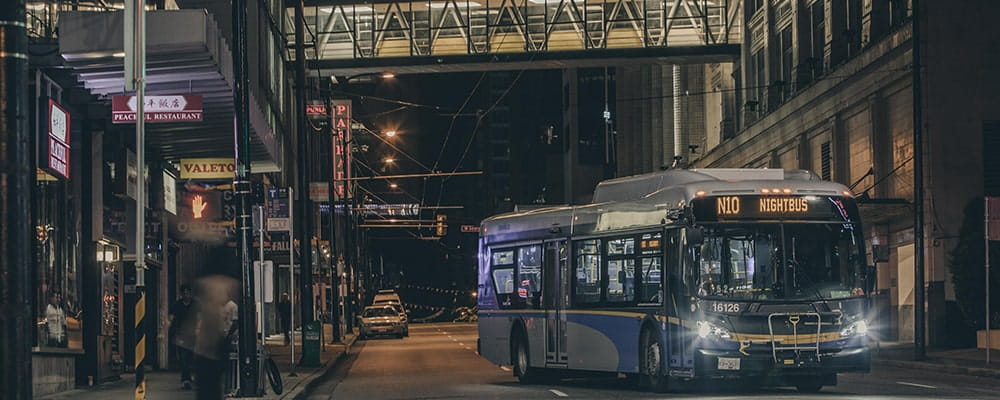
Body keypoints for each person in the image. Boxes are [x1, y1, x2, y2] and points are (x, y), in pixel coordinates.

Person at [169, 284, 196, 389]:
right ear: (181, 294)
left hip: (193, 334)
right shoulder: (177, 305)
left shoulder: (195, 304)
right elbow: (170, 319)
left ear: (190, 293)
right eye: (184, 293)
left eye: (187, 293)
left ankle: (188, 377)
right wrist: (163, 331)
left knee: (190, 357)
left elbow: (200, 318)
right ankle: (186, 379)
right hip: (180, 334)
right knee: (183, 357)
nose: (186, 295)